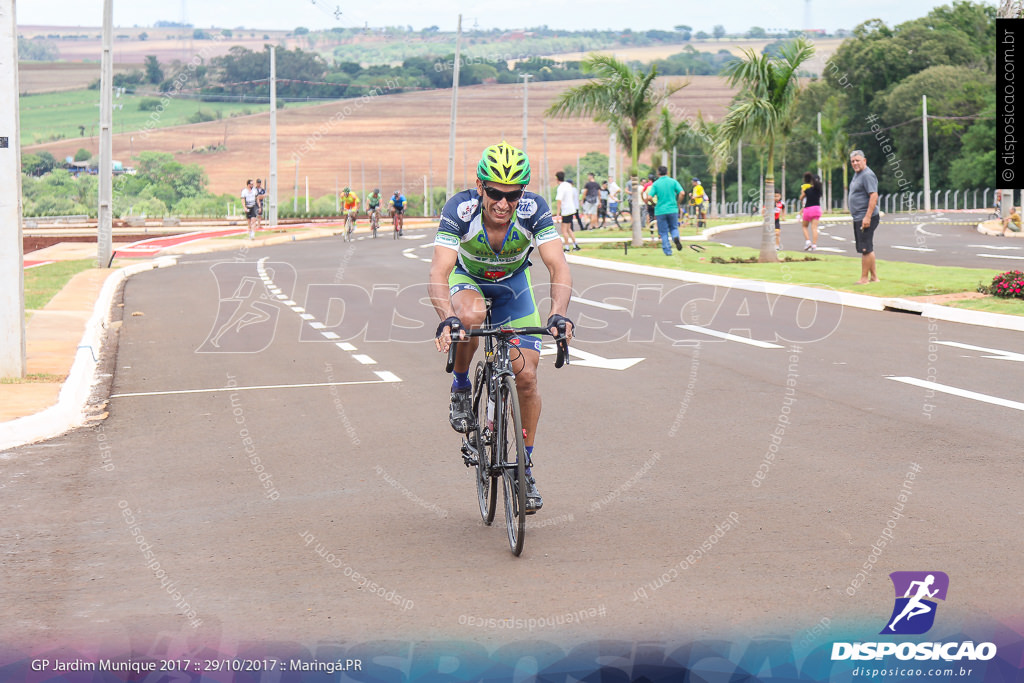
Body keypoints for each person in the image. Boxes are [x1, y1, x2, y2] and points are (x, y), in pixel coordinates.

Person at [430, 142, 574, 513]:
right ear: (480, 186)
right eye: (495, 192)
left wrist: (558, 313)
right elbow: (439, 271)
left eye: (513, 194)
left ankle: (524, 466)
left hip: (513, 286)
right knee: (471, 317)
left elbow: (558, 267)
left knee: (526, 377)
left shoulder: (534, 209)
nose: (503, 203)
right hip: (469, 282)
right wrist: (447, 316)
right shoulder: (459, 210)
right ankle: (461, 386)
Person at [848, 150, 880, 284]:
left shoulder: (867, 175)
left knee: (865, 249)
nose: (855, 163)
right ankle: (874, 277)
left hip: (865, 217)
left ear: (864, 161)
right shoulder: (857, 175)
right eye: (853, 161)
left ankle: (864, 278)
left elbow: (873, 195)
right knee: (868, 247)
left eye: (857, 160)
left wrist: (867, 217)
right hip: (859, 217)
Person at [643, 166, 685, 255]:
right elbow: (682, 193)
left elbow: (649, 197)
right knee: (674, 228)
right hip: (673, 209)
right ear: (667, 172)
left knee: (663, 232)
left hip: (660, 210)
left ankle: (668, 251)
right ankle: (675, 237)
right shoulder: (673, 181)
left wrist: (654, 204)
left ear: (658, 173)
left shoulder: (656, 184)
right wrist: (678, 203)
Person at [554, 171, 580, 252]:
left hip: (565, 210)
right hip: (571, 209)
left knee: (564, 230)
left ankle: (567, 247)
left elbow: (559, 201)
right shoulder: (568, 185)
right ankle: (575, 245)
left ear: (557, 178)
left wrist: (558, 215)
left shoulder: (561, 187)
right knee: (569, 229)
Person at [799, 172, 823, 251]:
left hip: (808, 209)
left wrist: (803, 191)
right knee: (814, 228)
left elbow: (801, 198)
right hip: (817, 209)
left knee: (804, 226)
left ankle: (808, 242)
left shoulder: (808, 190)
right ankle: (814, 245)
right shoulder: (819, 190)